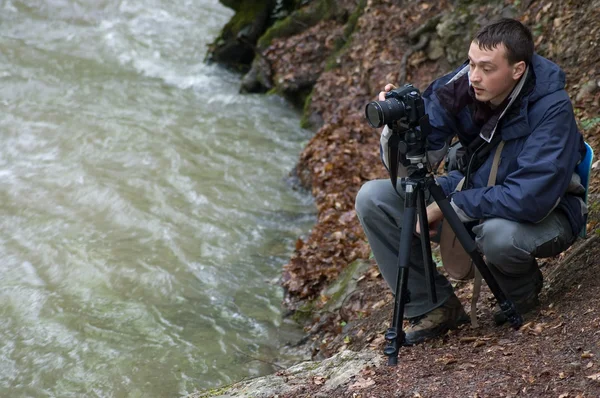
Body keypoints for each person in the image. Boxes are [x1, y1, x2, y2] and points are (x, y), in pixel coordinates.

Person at [355, 18, 586, 345]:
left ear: (517, 69)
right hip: (475, 188)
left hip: (551, 211)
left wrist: (450, 207)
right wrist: (401, 128)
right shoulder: (465, 85)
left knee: (498, 234)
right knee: (373, 198)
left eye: (488, 68)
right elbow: (419, 153)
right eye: (472, 63)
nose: (474, 76)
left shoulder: (551, 108)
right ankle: (435, 307)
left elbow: (530, 198)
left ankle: (520, 294)